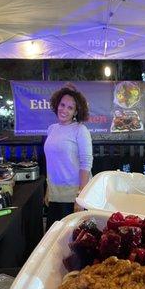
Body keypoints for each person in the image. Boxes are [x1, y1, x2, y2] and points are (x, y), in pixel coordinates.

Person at [44, 84, 93, 230]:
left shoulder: (80, 130)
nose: (64, 110)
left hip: (73, 196)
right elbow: (51, 163)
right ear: (57, 104)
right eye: (62, 104)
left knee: (73, 239)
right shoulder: (52, 129)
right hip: (54, 194)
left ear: (76, 112)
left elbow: (86, 163)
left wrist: (81, 197)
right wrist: (48, 189)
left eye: (70, 108)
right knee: (53, 235)